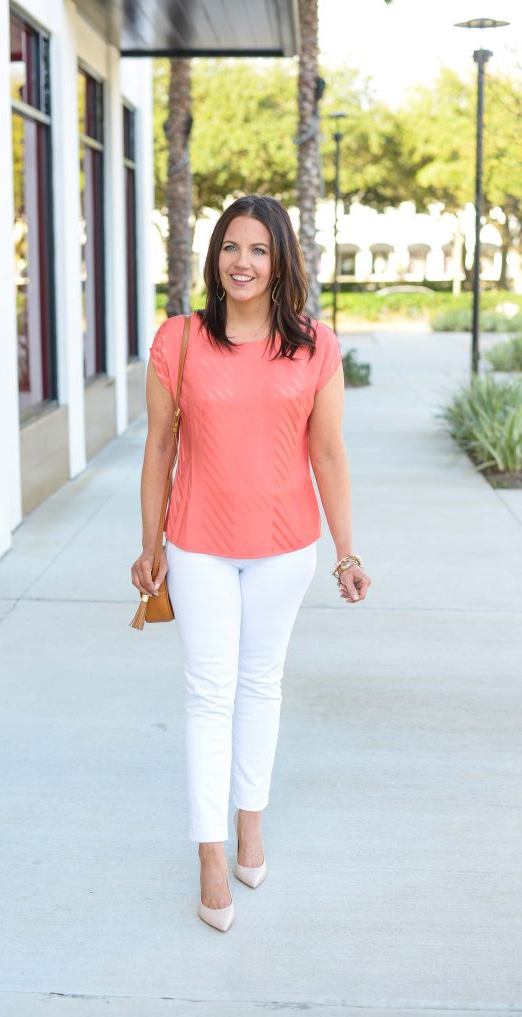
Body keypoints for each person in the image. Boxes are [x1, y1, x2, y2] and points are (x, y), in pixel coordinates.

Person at [131, 194, 371, 932]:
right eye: (231, 247)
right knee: (209, 696)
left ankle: (250, 822)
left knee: (261, 685)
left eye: (258, 250)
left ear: (279, 262)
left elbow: (326, 451)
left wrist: (345, 550)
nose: (242, 262)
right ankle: (209, 853)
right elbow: (160, 448)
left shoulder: (314, 345)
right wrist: (149, 546)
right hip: (198, 544)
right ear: (215, 257)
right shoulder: (177, 341)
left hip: (286, 548)